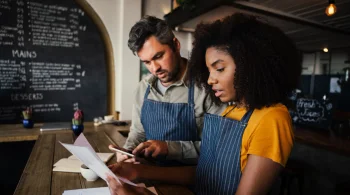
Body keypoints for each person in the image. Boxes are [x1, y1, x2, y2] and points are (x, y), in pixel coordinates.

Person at [106, 13, 301, 195]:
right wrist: (140, 173)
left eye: (219, 69)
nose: (209, 80)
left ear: (250, 64)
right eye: (209, 71)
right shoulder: (233, 111)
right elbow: (205, 174)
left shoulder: (273, 118)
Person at [111, 15, 225, 165]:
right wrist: (127, 151)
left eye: (158, 56)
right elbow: (138, 133)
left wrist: (169, 148)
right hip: (150, 177)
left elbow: (219, 147)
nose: (154, 68)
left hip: (193, 183)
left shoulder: (209, 87)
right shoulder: (143, 89)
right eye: (147, 62)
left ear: (176, 45)